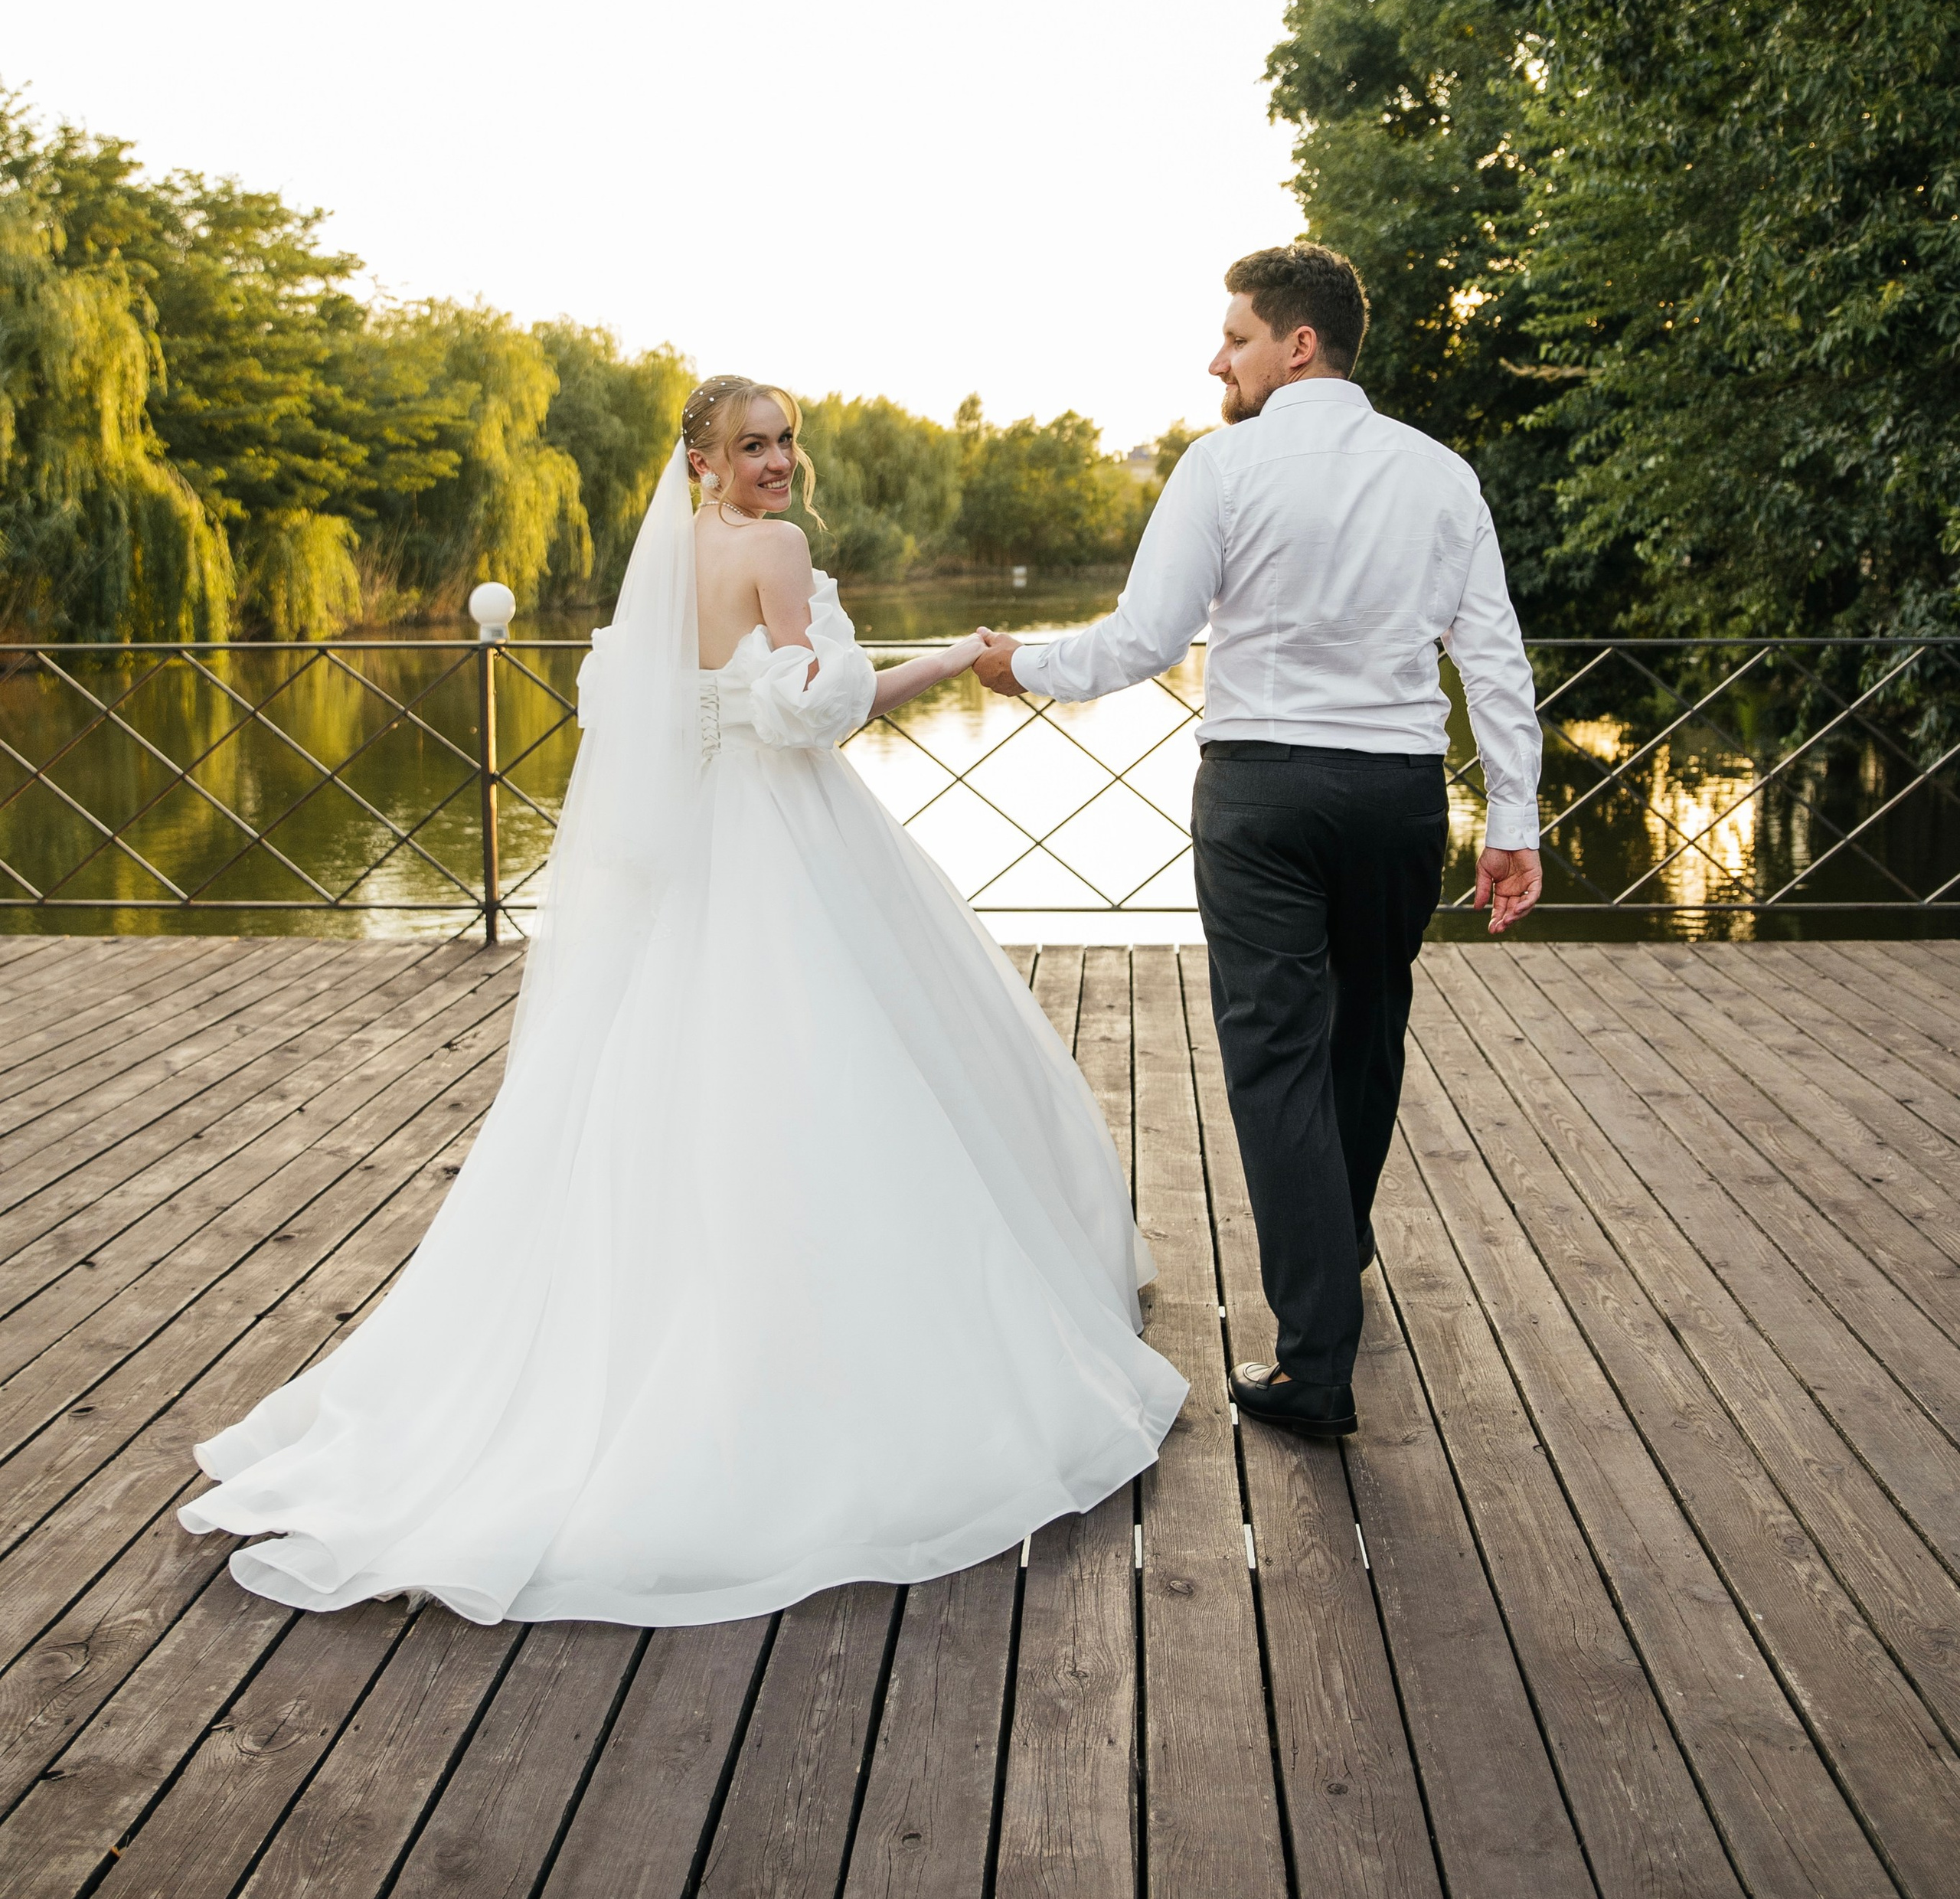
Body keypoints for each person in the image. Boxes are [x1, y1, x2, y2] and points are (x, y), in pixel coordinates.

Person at [181, 377, 1185, 1624]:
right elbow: (825, 712)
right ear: (704, 460)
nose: (776, 461)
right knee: (833, 1074)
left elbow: (669, 706)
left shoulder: (674, 561)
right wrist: (962, 658)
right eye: (751, 446)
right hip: (780, 831)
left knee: (672, 1080)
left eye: (783, 442)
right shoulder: (777, 548)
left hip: (705, 832)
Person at [974, 244, 1542, 1440]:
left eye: (1233, 336)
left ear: (1298, 344)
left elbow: (1140, 641)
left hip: (1263, 797)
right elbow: (1492, 658)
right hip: (1397, 799)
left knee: (1276, 1060)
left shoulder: (1222, 467)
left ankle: (1313, 1359)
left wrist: (1014, 664)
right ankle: (1340, 1253)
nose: (1214, 358)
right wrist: (1516, 819)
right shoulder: (1441, 475)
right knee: (1369, 1033)